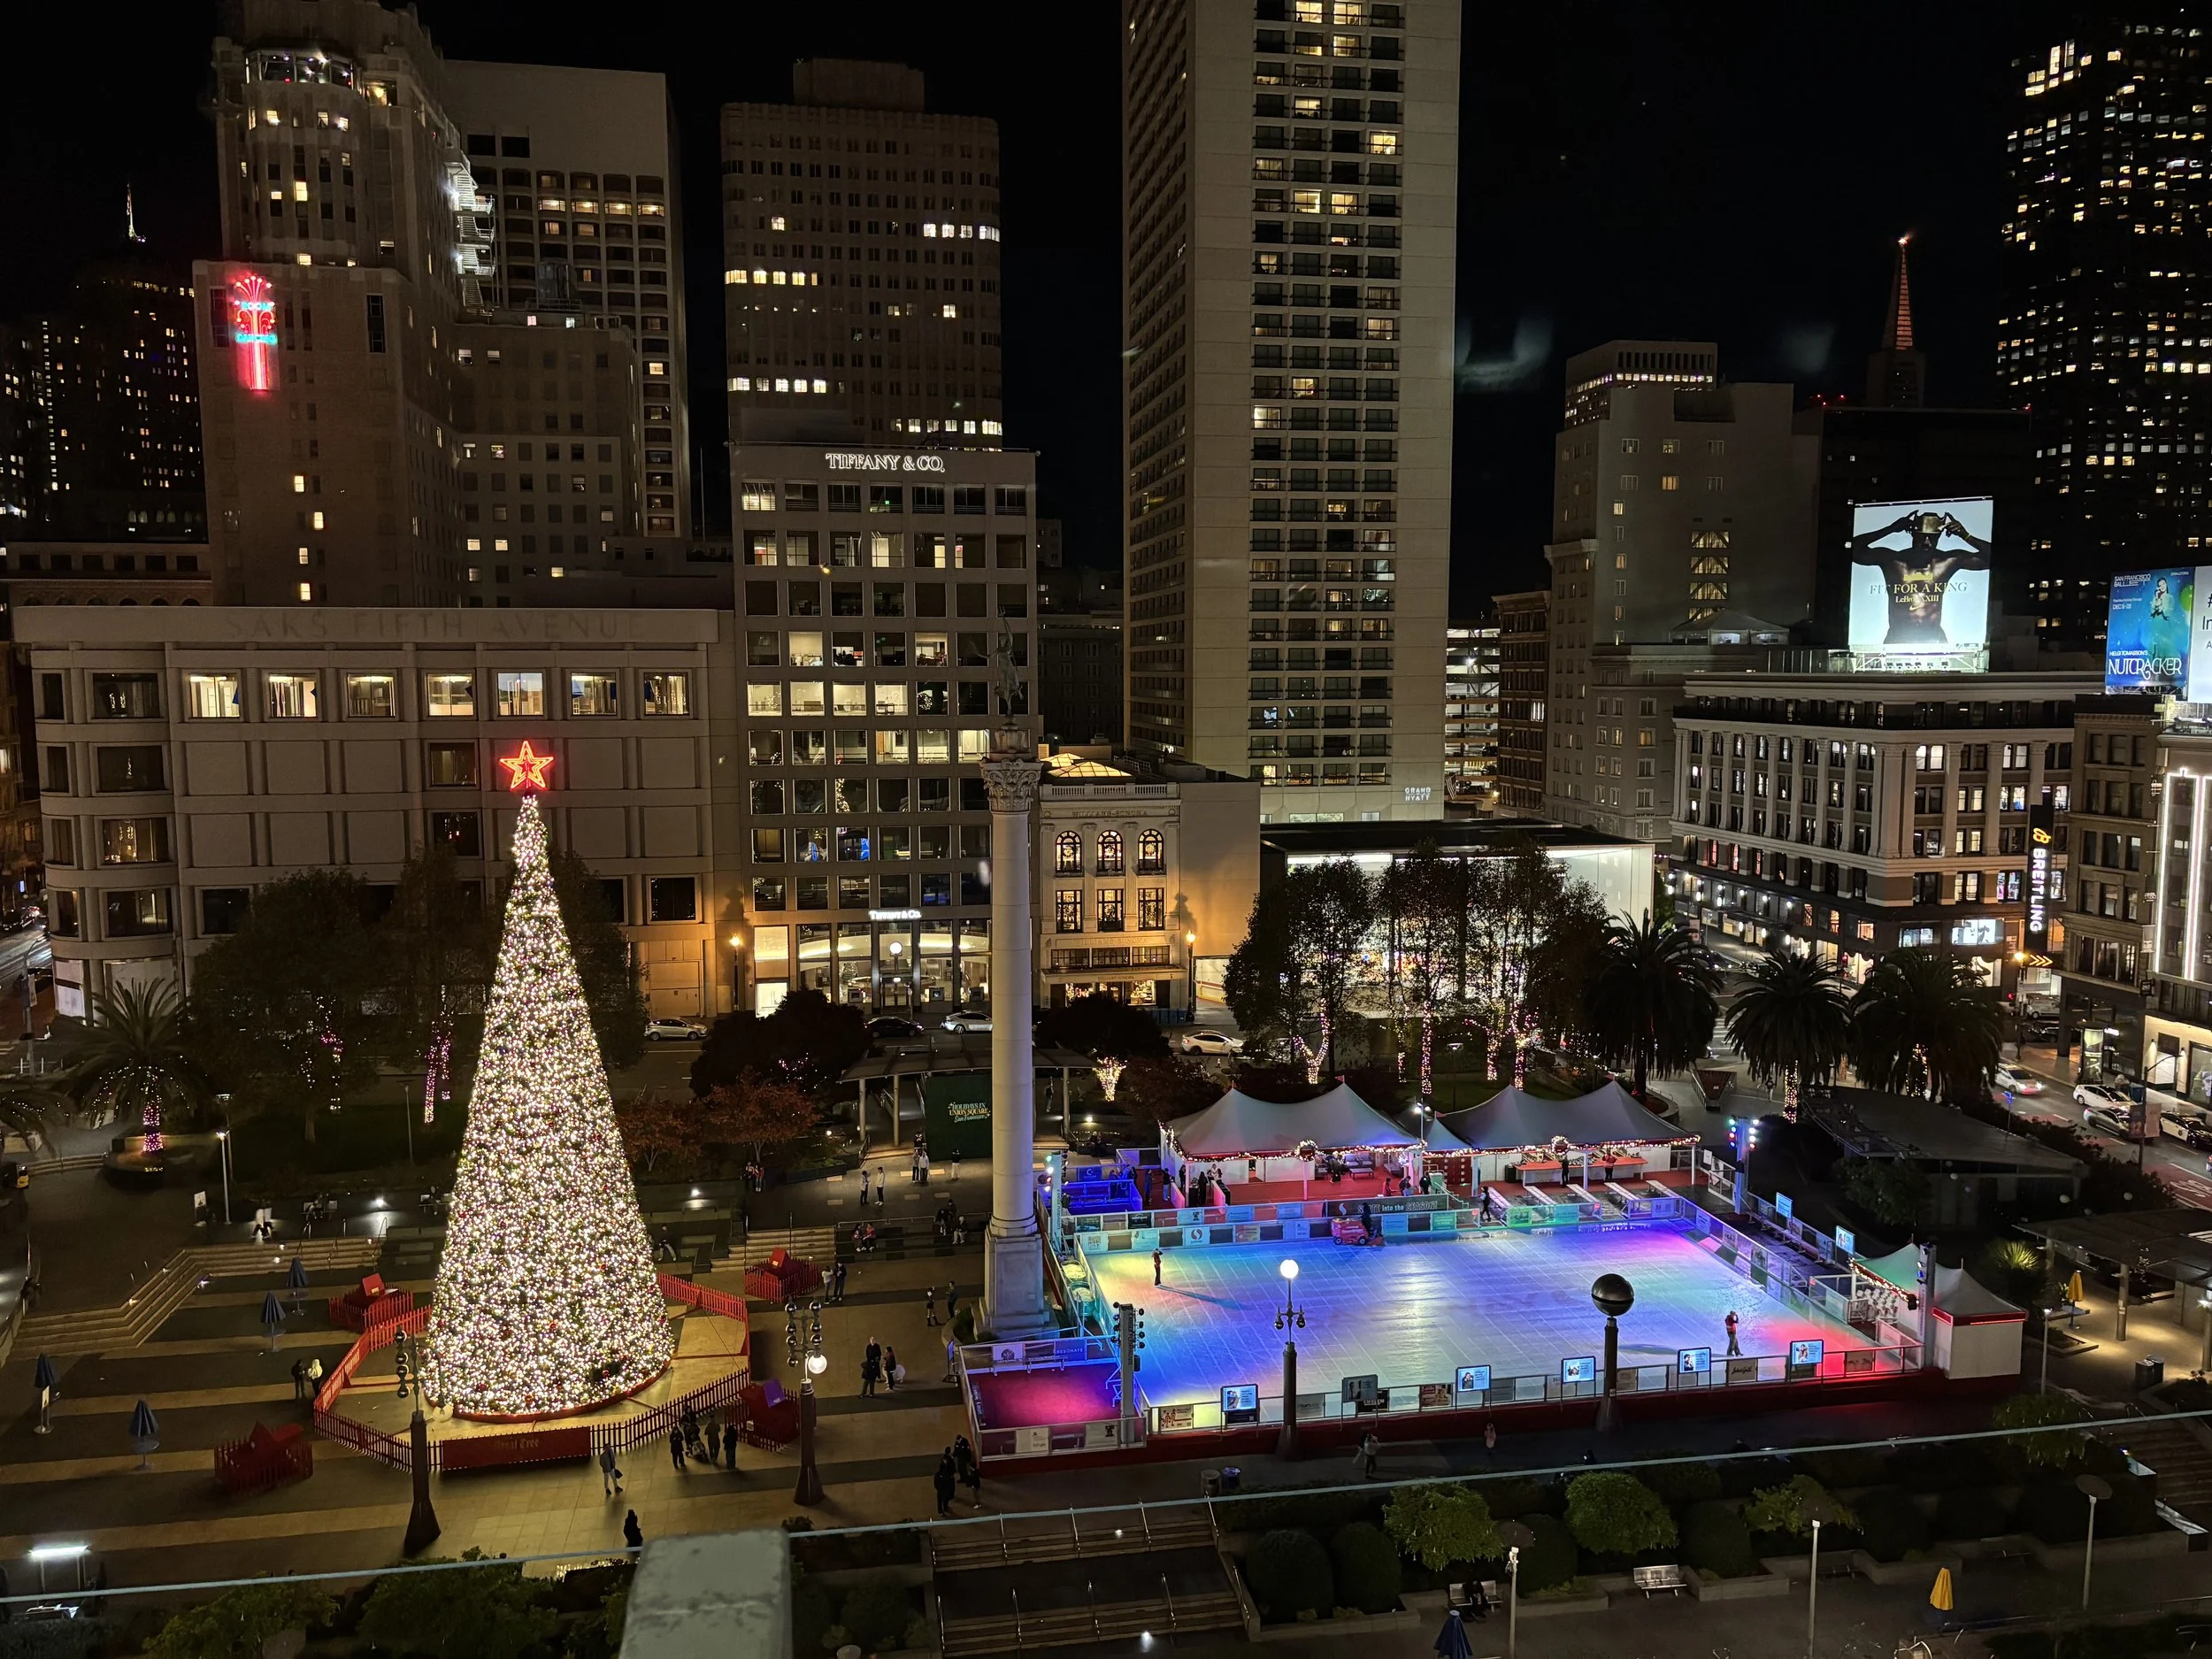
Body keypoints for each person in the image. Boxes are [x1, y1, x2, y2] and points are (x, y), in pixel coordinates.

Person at [955, 1434, 982, 1505]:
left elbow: (967, 1451)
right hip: (960, 1459)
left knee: (965, 1470)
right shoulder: (957, 1442)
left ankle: (966, 1480)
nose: (958, 1441)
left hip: (964, 1459)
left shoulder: (965, 1442)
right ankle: (962, 1479)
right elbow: (956, 1449)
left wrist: (969, 1459)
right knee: (960, 1469)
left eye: (958, 1440)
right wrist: (955, 1455)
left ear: (961, 1438)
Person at [933, 1452, 957, 1517]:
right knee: (940, 1500)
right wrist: (938, 1488)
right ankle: (940, 1510)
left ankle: (945, 1507)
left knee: (945, 1498)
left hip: (944, 1488)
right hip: (941, 1489)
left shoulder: (949, 1466)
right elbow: (936, 1483)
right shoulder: (939, 1475)